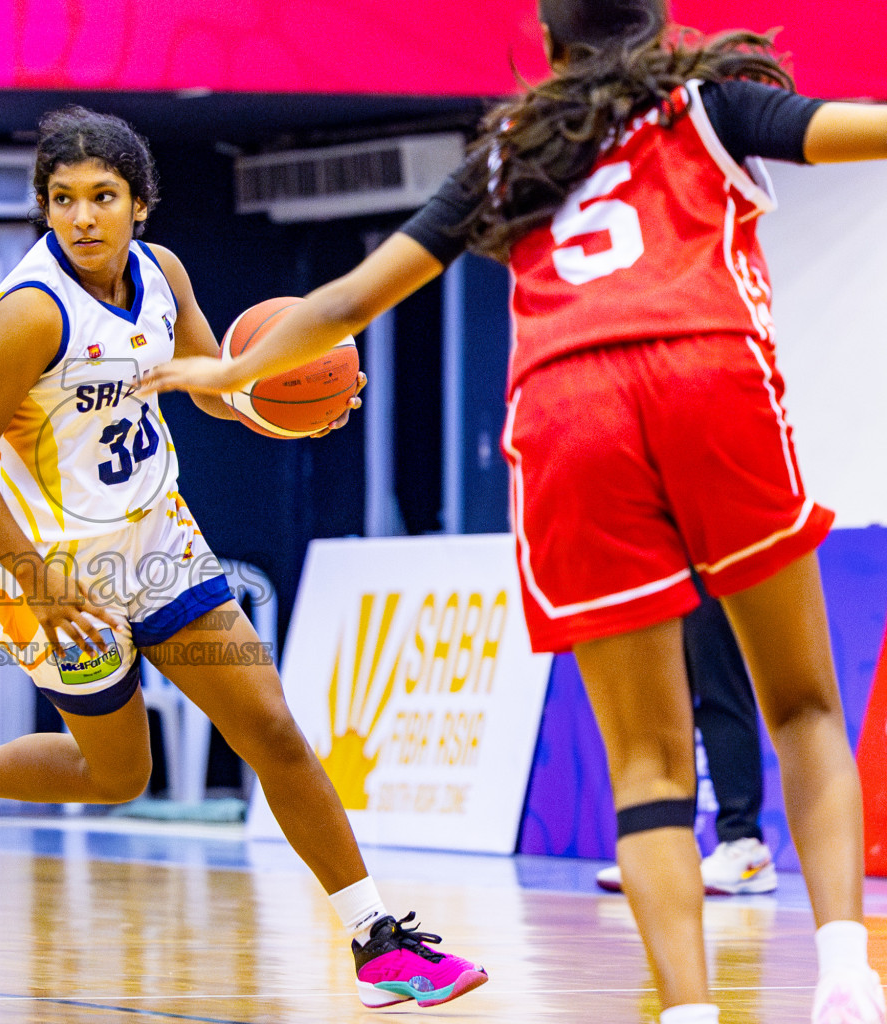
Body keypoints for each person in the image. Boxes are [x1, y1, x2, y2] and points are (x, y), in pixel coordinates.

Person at [139, 3, 887, 1021]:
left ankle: (689, 1009)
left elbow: (348, 303)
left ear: (546, 45)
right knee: (801, 706)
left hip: (566, 409)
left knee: (648, 765)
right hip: (706, 368)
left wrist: (210, 371)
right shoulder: (707, 104)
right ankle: (844, 973)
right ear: (663, 25)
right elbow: (869, 126)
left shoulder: (507, 157)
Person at [0, 106, 487, 1010]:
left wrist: (281, 409)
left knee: (272, 727)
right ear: (44, 209)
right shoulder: (31, 315)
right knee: (117, 776)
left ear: (140, 204)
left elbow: (213, 383)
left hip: (158, 543)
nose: (82, 217)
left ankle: (378, 941)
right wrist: (41, 584)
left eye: (102, 197)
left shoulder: (162, 274)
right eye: (62, 199)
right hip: (53, 571)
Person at [598, 585, 777, 896]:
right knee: (660, 688)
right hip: (654, 551)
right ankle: (669, 847)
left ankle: (744, 845)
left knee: (716, 674)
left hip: (707, 551)